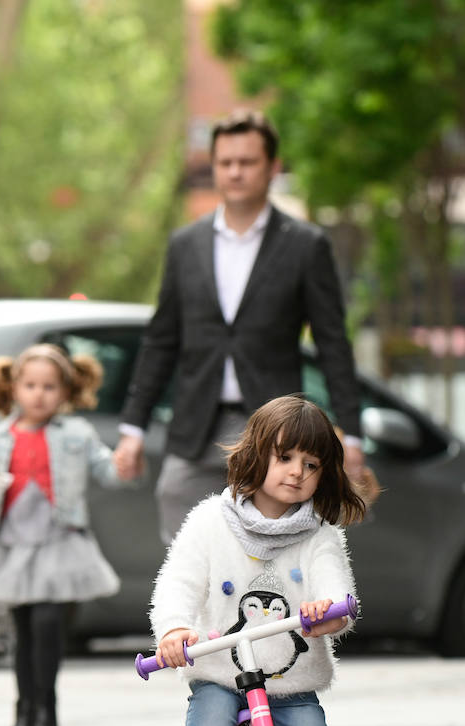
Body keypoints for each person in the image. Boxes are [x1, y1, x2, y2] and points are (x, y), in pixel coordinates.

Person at [140, 394, 367, 726]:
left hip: (291, 682)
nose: (297, 473)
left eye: (312, 466)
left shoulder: (318, 535)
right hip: (222, 675)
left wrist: (327, 613)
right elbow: (176, 583)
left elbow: (338, 592)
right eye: (286, 458)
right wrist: (174, 630)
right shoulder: (209, 522)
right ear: (258, 454)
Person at [113, 109, 367, 544]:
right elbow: (162, 340)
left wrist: (352, 430)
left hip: (275, 430)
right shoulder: (185, 245)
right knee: (186, 554)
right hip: (196, 427)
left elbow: (332, 343)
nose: (234, 172)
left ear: (271, 168)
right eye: (225, 162)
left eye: (246, 162)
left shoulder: (305, 246)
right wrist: (132, 428)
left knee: (271, 560)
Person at [0, 344, 132, 726]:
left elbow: (107, 470)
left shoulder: (77, 433)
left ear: (67, 391)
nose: (39, 394)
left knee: (48, 625)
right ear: (14, 388)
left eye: (50, 387)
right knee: (23, 630)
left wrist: (123, 464)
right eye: (31, 385)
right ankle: (25, 712)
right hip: (14, 544)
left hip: (59, 541)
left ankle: (45, 708)